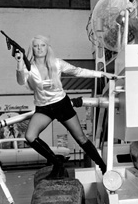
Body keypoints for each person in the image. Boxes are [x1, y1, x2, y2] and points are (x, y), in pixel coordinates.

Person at [15, 35, 116, 179]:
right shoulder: (28, 67)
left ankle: (103, 166)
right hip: (44, 108)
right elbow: (20, 81)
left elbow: (78, 71)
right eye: (36, 46)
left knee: (80, 138)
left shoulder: (57, 63)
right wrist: (19, 64)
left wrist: (102, 74)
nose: (39, 49)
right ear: (32, 49)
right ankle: (57, 163)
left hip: (62, 104)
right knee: (30, 136)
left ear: (47, 47)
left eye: (42, 45)